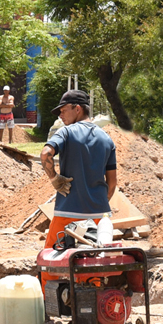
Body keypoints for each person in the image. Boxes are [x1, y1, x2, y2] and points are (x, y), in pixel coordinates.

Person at [39, 89, 117, 247]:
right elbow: (112, 183)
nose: (60, 115)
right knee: (93, 262)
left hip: (67, 213)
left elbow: (45, 154)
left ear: (78, 108)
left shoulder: (66, 132)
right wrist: (96, 204)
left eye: (63, 110)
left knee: (50, 263)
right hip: (99, 216)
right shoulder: (107, 139)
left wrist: (54, 178)